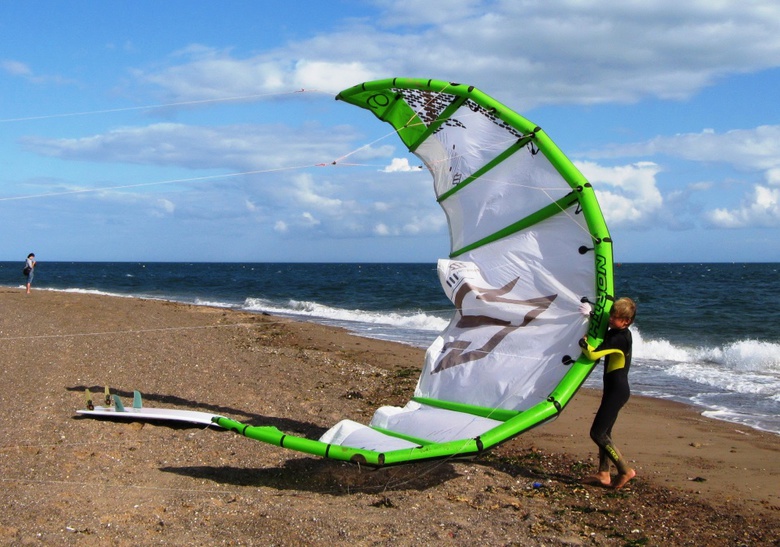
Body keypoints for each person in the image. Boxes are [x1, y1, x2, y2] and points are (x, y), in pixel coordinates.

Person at [579, 297, 637, 489]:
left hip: (617, 391)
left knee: (597, 433)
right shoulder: (620, 332)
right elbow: (605, 331)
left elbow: (594, 353)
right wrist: (593, 315)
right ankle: (603, 474)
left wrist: (583, 342)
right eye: (611, 315)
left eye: (616, 317)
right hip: (614, 389)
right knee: (606, 432)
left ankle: (624, 470)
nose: (611, 319)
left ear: (626, 321)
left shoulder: (619, 338)